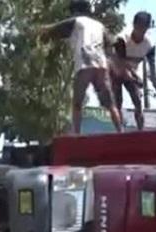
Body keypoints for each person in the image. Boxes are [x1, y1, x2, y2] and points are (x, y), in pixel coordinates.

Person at [38, 0, 123, 134]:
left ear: (75, 11)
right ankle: (120, 130)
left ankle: (77, 134)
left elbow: (56, 28)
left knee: (77, 103)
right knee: (110, 103)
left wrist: (43, 30)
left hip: (85, 64)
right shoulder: (99, 25)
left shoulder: (77, 21)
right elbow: (110, 42)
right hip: (101, 65)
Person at [110, 11, 156, 130]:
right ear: (134, 25)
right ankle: (119, 132)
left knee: (138, 102)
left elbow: (153, 74)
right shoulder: (122, 39)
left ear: (147, 28)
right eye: (139, 28)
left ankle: (140, 131)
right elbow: (122, 65)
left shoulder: (149, 45)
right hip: (116, 71)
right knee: (117, 102)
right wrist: (136, 77)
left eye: (144, 29)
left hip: (131, 72)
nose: (140, 33)